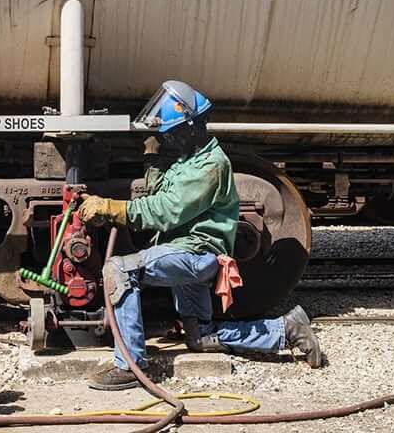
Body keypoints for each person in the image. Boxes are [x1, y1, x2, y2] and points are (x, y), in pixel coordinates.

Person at [79, 81, 322, 391]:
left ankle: (130, 365)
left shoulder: (210, 165)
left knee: (119, 269)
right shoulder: (187, 161)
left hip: (197, 255)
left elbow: (165, 210)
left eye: (174, 132)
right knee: (201, 338)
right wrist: (154, 161)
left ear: (193, 127)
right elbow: (159, 191)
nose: (168, 137)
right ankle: (287, 329)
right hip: (184, 253)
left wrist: (112, 208)